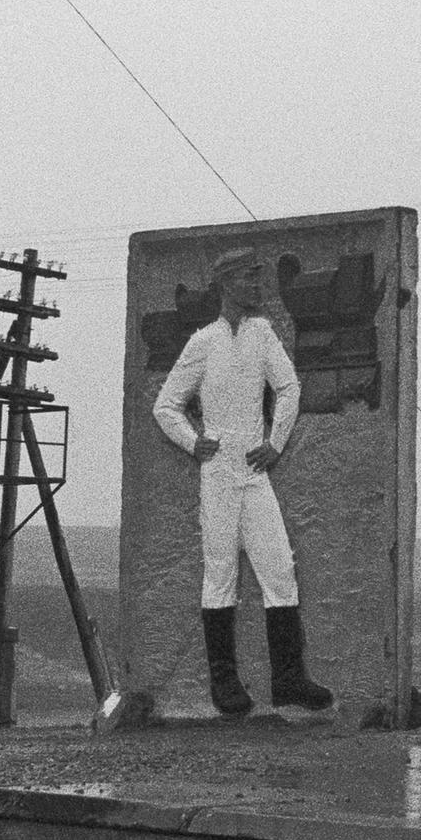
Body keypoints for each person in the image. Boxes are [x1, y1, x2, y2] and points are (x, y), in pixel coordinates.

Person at [152, 245, 332, 716]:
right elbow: (166, 406)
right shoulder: (203, 341)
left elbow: (289, 387)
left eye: (259, 278)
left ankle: (290, 680)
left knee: (279, 568)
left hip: (254, 473)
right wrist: (194, 443)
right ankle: (224, 684)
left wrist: (275, 441)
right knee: (220, 575)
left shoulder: (262, 333)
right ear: (227, 283)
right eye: (249, 279)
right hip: (217, 476)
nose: (257, 286)